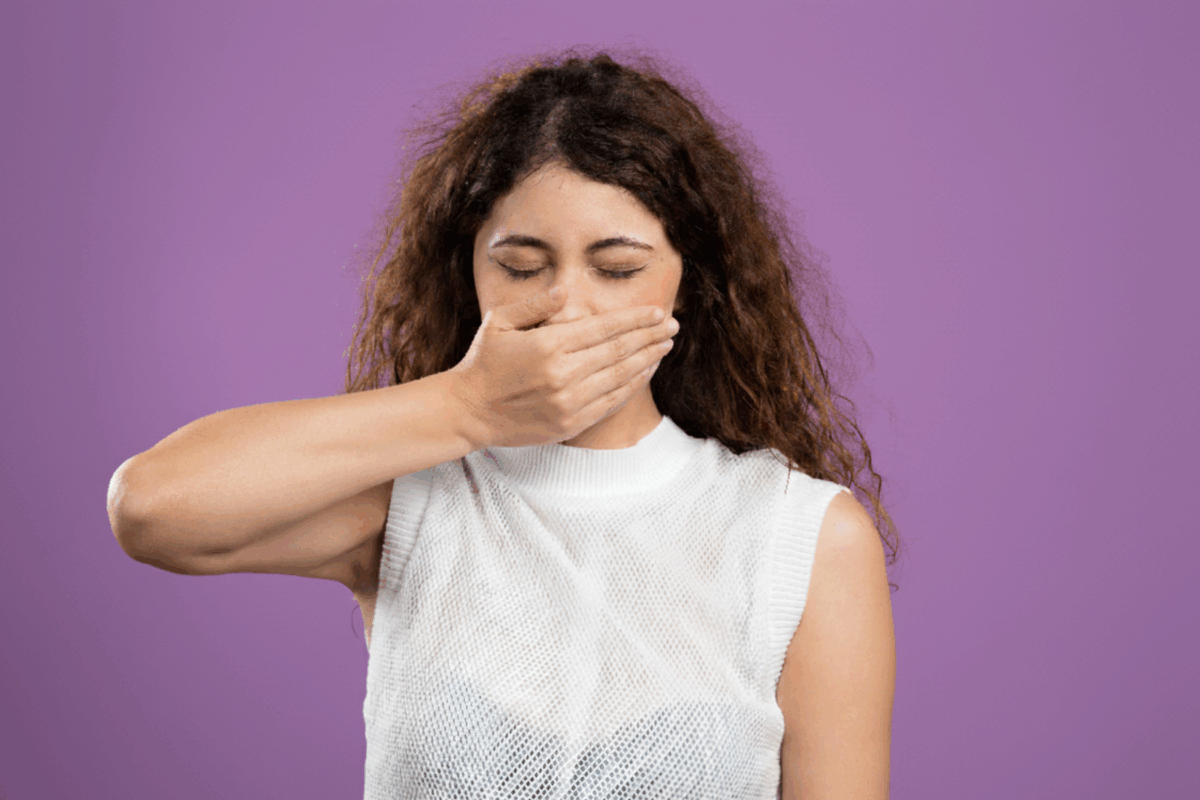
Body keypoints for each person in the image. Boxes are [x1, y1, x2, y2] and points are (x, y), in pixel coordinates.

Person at [107, 47, 899, 800]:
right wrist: (468, 406)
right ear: (471, 273)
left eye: (617, 269)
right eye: (522, 267)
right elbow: (152, 508)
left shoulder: (797, 536)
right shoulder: (414, 498)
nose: (567, 306)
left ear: (687, 283)